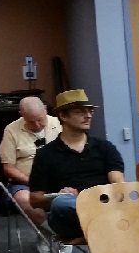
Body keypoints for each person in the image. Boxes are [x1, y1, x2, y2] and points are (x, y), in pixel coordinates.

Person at [29, 89, 126, 241]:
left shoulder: (104, 147)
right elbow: (34, 199)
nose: (88, 115)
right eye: (80, 112)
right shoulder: (46, 154)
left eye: (90, 111)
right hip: (71, 216)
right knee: (62, 203)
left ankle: (100, 222)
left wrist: (117, 193)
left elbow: (118, 182)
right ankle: (103, 221)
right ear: (63, 116)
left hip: (102, 201)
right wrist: (57, 195)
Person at [0, 96, 65, 253]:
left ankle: (47, 233)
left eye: (40, 120)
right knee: (23, 199)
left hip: (59, 178)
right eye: (31, 121)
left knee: (69, 193)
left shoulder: (59, 124)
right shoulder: (11, 130)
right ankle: (57, 234)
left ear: (45, 110)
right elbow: (8, 168)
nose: (36, 125)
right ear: (21, 115)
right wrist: (32, 181)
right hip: (25, 181)